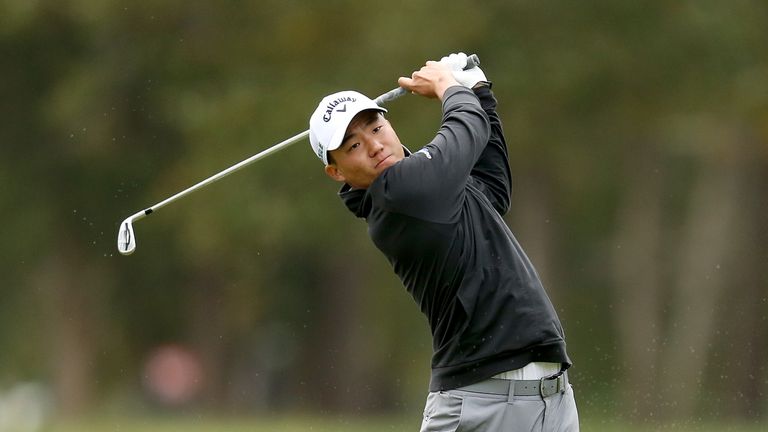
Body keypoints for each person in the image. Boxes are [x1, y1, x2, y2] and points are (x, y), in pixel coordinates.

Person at [308, 53, 579, 431]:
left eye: (374, 127)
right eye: (352, 146)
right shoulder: (398, 195)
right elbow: (465, 130)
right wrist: (448, 85)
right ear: (336, 172)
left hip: (549, 401)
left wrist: (479, 90)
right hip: (478, 405)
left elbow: (493, 189)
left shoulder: (429, 186)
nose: (373, 146)